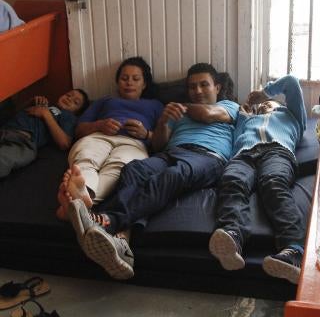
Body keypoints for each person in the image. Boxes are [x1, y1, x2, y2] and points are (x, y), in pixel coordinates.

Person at [64, 62, 239, 280]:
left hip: (207, 156)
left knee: (172, 176)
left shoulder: (229, 106)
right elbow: (158, 145)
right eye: (193, 87)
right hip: (171, 153)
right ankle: (121, 244)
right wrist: (164, 121)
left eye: (204, 85)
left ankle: (106, 220)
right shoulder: (175, 113)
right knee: (134, 170)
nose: (198, 91)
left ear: (218, 88)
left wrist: (179, 106)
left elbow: (207, 114)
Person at [208, 75, 307, 285]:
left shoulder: (292, 115)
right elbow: (236, 141)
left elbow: (291, 82)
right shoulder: (249, 120)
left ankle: (294, 250)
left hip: (277, 152)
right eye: (260, 105)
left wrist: (264, 94)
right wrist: (244, 116)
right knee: (231, 181)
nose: (263, 106)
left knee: (273, 183)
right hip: (244, 154)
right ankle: (232, 236)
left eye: (268, 103)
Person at [56, 56, 163, 221]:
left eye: (136, 79)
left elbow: (165, 140)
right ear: (117, 82)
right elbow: (78, 130)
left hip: (133, 144)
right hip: (99, 137)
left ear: (144, 84)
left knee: (120, 168)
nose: (129, 83)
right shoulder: (105, 100)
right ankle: (80, 198)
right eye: (124, 78)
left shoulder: (155, 105)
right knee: (86, 158)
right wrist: (99, 125)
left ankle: (78, 201)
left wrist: (146, 134)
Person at [0, 89, 89, 179]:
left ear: (78, 112)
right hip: (5, 130)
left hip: (22, 142)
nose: (69, 99)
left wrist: (46, 114)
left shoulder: (69, 117)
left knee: (3, 160)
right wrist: (30, 102)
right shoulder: (47, 104)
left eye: (75, 102)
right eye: (68, 95)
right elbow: (15, 113)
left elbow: (64, 143)